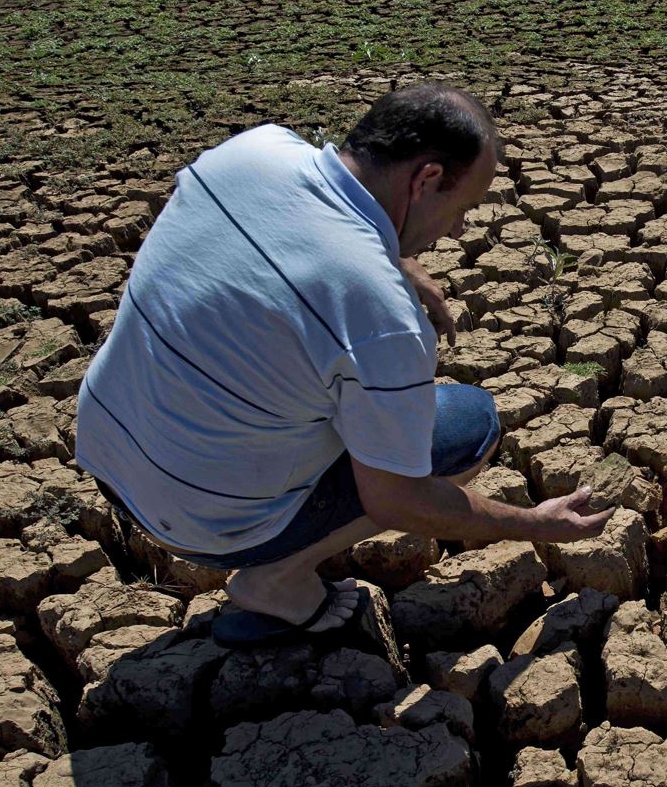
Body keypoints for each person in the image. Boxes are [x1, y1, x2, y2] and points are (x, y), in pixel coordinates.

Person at [75, 82, 614, 646]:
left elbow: (302, 231)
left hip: (108, 451)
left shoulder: (251, 151)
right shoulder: (379, 312)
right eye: (464, 208)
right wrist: (535, 524)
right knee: (466, 422)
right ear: (427, 179)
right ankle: (277, 579)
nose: (458, 230)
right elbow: (397, 498)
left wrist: (393, 258)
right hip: (202, 522)